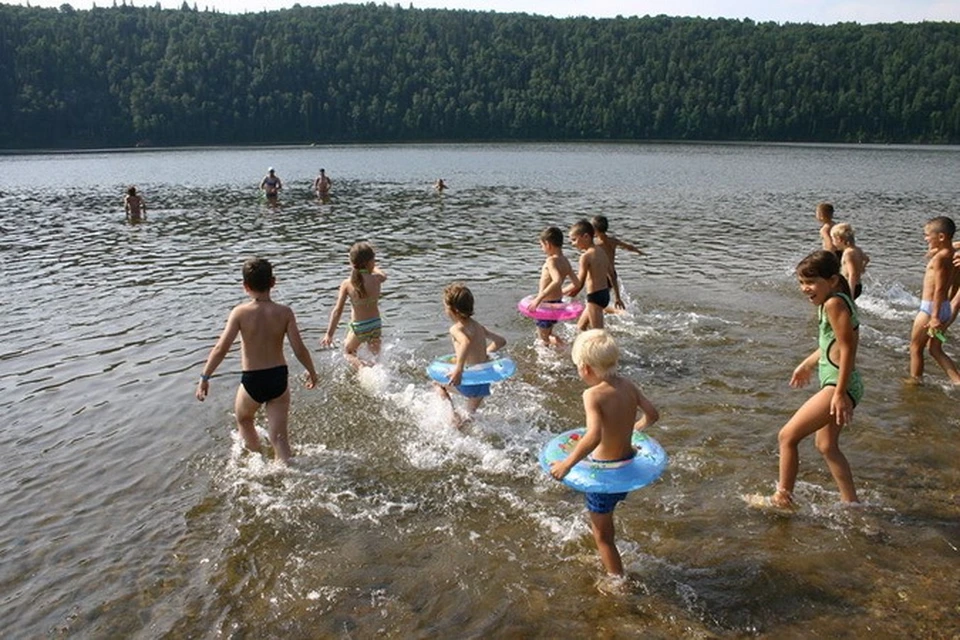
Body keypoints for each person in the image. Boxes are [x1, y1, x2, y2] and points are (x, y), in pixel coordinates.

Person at [749, 250, 862, 510]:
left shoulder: (834, 304)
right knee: (826, 445)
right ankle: (852, 503)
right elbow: (832, 344)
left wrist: (839, 393)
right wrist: (807, 364)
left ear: (832, 280)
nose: (804, 289)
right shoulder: (835, 300)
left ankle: (782, 498)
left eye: (810, 283)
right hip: (843, 383)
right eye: (801, 283)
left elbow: (848, 349)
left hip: (838, 384)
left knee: (787, 436)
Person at [549, 329, 659, 578]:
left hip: (605, 475)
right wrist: (633, 430)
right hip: (628, 465)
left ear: (586, 368)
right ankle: (611, 561)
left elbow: (594, 436)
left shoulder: (592, 395)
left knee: (603, 537)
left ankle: (617, 582)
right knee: (605, 520)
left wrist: (566, 464)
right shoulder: (628, 385)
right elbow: (652, 415)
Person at [195, 257, 318, 465]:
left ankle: (257, 461)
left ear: (245, 286)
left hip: (253, 378)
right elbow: (299, 348)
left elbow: (220, 349)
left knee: (244, 419)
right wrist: (312, 372)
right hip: (279, 377)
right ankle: (287, 468)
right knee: (279, 437)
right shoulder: (285, 312)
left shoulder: (240, 313)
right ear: (273, 282)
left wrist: (205, 377)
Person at [435, 283, 507, 428]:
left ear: (453, 310)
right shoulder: (479, 326)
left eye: (445, 307)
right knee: (468, 418)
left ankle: (452, 415)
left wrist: (458, 370)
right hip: (482, 382)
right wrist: (484, 354)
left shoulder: (456, 328)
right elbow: (501, 341)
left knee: (437, 385)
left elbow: (465, 342)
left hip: (469, 381)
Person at [908, 216, 960, 384]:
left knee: (915, 348)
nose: (925, 238)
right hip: (943, 308)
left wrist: (935, 317)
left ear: (942, 237)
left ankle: (915, 382)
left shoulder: (941, 259)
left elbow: (939, 289)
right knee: (935, 350)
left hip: (931, 309)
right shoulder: (950, 252)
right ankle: (957, 381)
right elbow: (954, 244)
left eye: (928, 235)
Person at [321, 241, 387, 368]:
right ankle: (376, 371)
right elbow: (383, 275)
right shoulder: (376, 279)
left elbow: (337, 311)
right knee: (376, 359)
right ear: (370, 262)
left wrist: (329, 334)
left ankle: (362, 368)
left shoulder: (347, 284)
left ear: (352, 263)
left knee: (348, 352)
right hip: (375, 324)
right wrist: (372, 266)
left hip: (359, 327)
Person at [527, 226, 580, 346]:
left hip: (546, 305)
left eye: (541, 245)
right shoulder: (565, 260)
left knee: (543, 339)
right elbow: (577, 283)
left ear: (548, 244)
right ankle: (561, 349)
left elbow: (556, 280)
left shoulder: (551, 261)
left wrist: (538, 298)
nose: (542, 249)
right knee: (548, 334)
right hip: (557, 303)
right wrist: (561, 293)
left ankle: (564, 350)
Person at [563, 219, 616, 331]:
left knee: (598, 334)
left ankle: (606, 348)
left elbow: (578, 283)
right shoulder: (601, 251)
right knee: (580, 328)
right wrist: (618, 298)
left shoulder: (585, 256)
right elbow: (612, 274)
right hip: (604, 294)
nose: (573, 244)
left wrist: (559, 292)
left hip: (594, 298)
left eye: (574, 240)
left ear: (586, 236)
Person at [591, 215, 644, 311]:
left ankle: (615, 312)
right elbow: (628, 246)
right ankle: (616, 303)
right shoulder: (612, 241)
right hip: (612, 274)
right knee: (603, 300)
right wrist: (638, 251)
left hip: (603, 276)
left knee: (597, 303)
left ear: (594, 230)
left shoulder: (597, 244)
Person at [830, 223, 869, 299]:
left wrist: (850, 293)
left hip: (849, 286)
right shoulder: (857, 249)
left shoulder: (848, 253)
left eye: (833, 239)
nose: (832, 242)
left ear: (839, 239)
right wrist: (861, 268)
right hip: (858, 285)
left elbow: (852, 274)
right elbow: (867, 259)